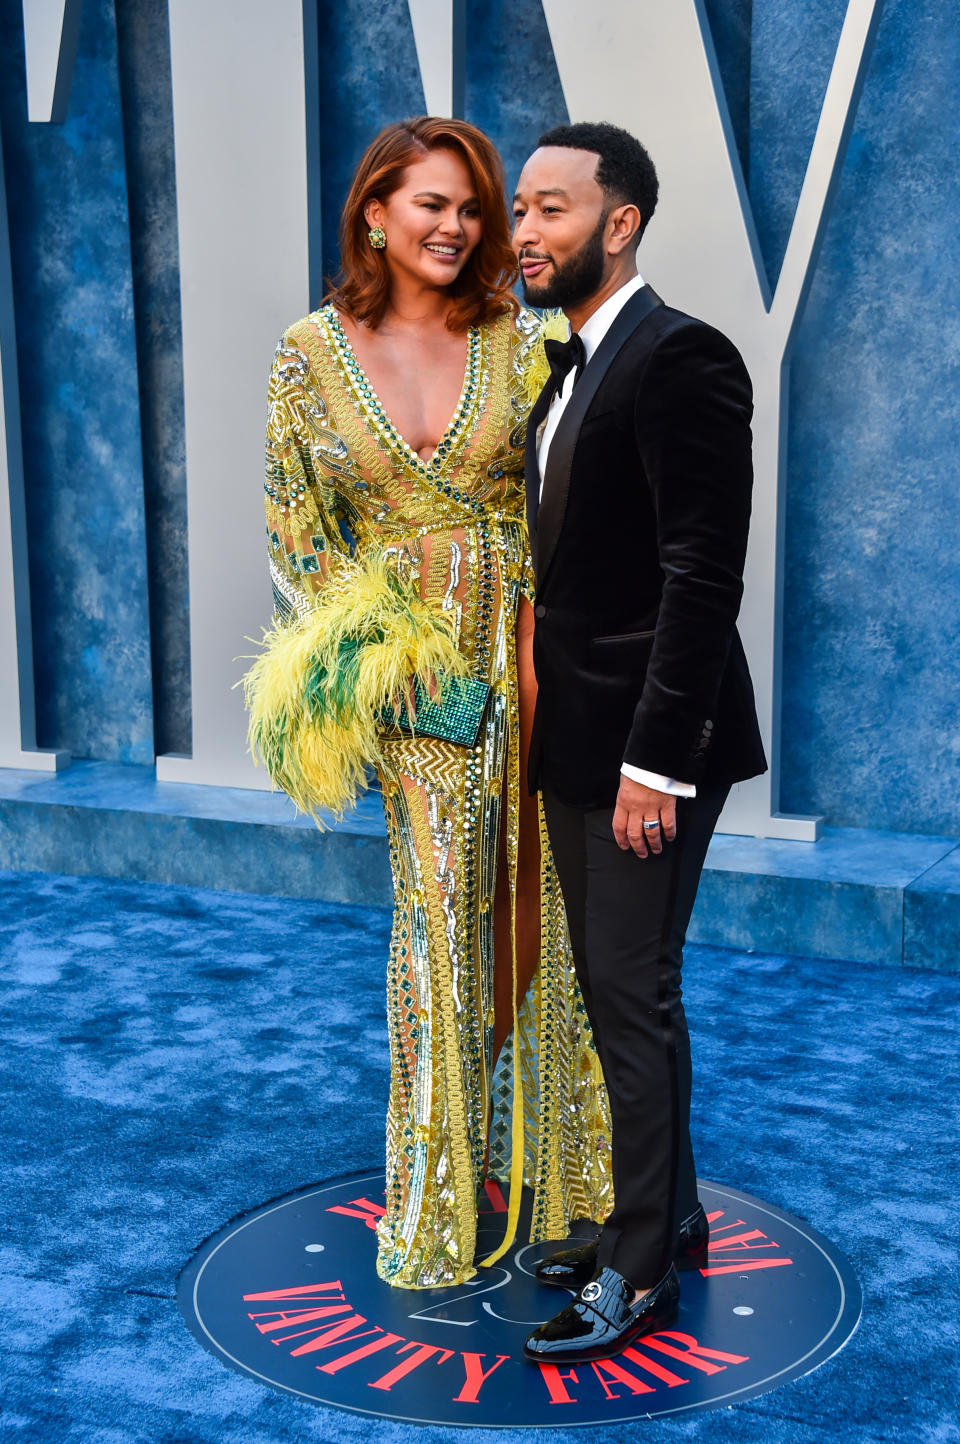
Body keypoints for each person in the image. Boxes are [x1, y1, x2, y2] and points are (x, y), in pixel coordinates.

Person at [243, 117, 612, 1290]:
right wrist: (381, 670)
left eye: (471, 207)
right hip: (416, 675)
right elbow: (299, 545)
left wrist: (563, 641)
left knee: (547, 901)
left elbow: (582, 488)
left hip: (540, 650)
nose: (455, 226)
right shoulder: (309, 355)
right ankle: (438, 1188)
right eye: (430, 205)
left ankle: (578, 1182)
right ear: (373, 214)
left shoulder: (524, 333)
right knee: (440, 916)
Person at [512, 122, 767, 1362]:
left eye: (550, 210)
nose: (522, 233)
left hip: (648, 753)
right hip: (578, 740)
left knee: (630, 993)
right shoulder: (568, 367)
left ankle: (643, 1264)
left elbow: (700, 576)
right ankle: (665, 1216)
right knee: (629, 988)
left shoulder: (683, 359)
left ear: (621, 223)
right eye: (519, 209)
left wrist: (653, 765)